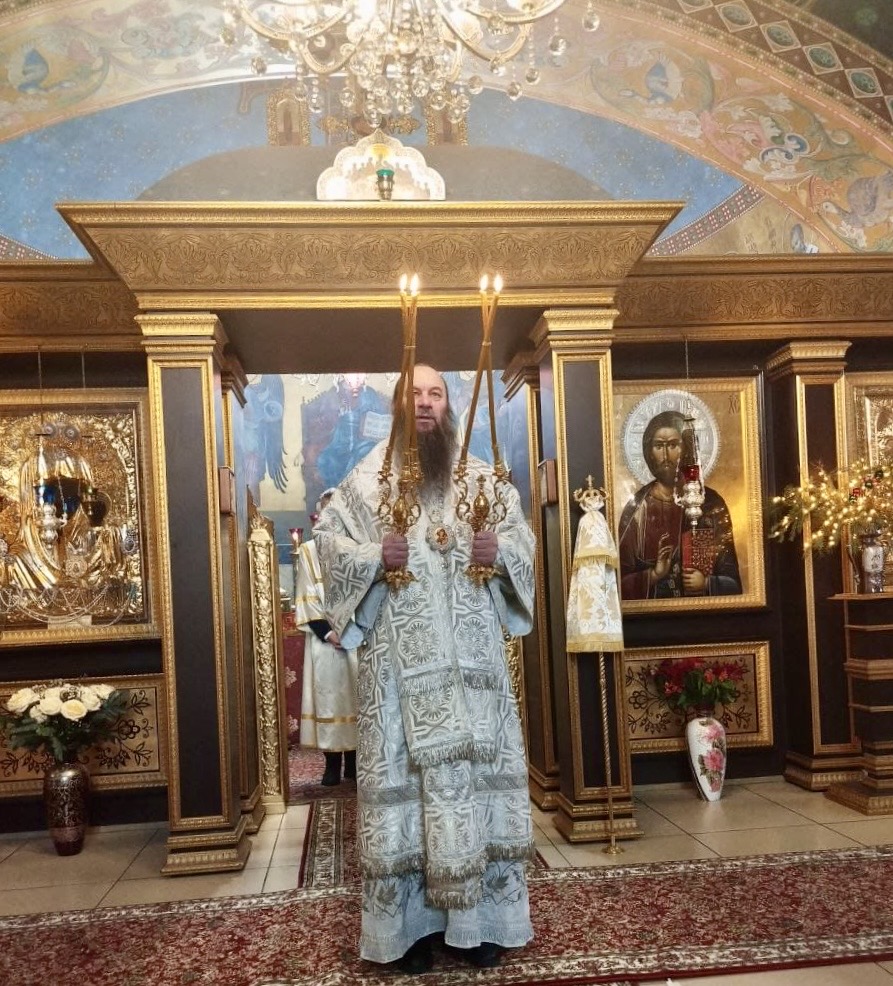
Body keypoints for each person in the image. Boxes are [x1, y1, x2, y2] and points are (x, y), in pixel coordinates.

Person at [313, 364, 536, 974]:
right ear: (397, 404)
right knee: (407, 803)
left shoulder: (482, 479)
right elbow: (329, 546)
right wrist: (373, 556)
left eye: (436, 393)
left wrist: (501, 551)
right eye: (415, 393)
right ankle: (409, 930)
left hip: (473, 679)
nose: (426, 403)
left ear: (449, 406)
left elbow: (522, 543)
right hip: (398, 681)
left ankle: (478, 925)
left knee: (473, 791)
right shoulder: (364, 484)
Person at [617, 409, 742, 599]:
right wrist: (654, 575)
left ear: (688, 449)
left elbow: (733, 584)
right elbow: (618, 585)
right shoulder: (637, 509)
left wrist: (707, 582)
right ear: (649, 452)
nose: (665, 455)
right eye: (658, 446)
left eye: (673, 445)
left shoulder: (710, 503)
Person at [296, 489, 357, 786]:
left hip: (357, 637)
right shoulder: (309, 550)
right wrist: (330, 633)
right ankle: (332, 765)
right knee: (330, 700)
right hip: (326, 641)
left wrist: (354, 630)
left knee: (357, 700)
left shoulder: (357, 547)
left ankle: (355, 765)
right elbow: (306, 596)